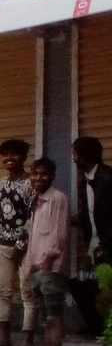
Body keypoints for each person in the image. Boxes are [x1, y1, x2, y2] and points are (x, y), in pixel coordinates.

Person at [22, 158, 70, 346]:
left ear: (51, 176)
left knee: (52, 319)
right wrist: (30, 264)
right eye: (34, 174)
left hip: (50, 269)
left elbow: (59, 236)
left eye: (43, 174)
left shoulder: (57, 199)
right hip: (37, 268)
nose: (38, 178)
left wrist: (46, 261)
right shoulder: (36, 201)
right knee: (45, 321)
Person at [0, 139, 38, 346]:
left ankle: (27, 341)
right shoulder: (0, 183)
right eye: (5, 155)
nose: (9, 158)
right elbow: (0, 210)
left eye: (15, 154)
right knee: (2, 291)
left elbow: (33, 216)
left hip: (25, 245)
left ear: (24, 157)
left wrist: (22, 241)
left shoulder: (30, 184)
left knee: (27, 291)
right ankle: (4, 339)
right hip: (3, 243)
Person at [72, 136, 112, 334]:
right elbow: (88, 212)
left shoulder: (108, 178)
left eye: (75, 155)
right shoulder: (84, 181)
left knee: (103, 286)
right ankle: (97, 327)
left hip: (107, 245)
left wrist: (105, 244)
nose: (73, 160)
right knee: (80, 283)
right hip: (93, 244)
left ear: (84, 156)